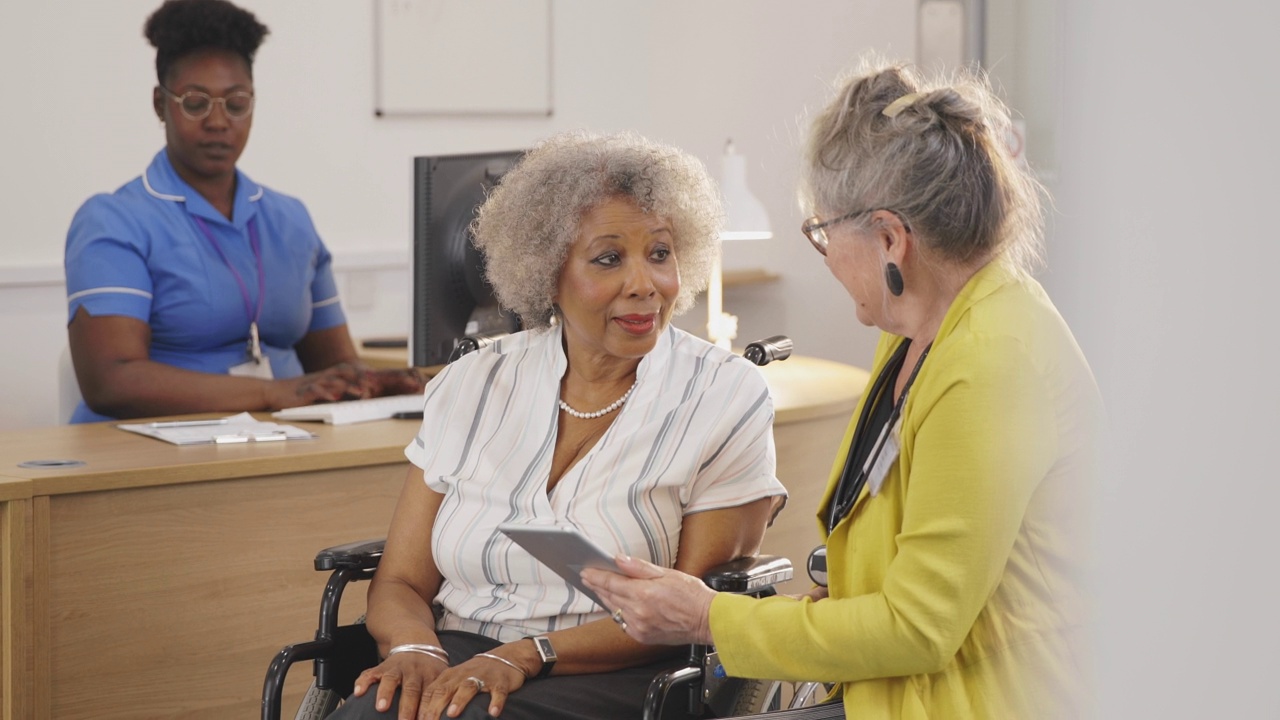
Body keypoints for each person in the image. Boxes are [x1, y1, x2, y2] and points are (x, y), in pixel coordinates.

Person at [584, 60, 1102, 719]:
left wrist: (710, 617)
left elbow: (916, 628)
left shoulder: (990, 362)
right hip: (896, 690)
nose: (824, 255)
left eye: (824, 231)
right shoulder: (915, 329)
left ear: (890, 238)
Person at [329, 130, 788, 720]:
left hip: (627, 672)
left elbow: (687, 611)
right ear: (549, 271)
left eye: (660, 253)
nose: (644, 284)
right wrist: (415, 647)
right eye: (608, 258)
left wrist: (529, 654)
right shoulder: (474, 383)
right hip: (460, 650)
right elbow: (400, 581)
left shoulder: (725, 395)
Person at [63, 0, 421, 424]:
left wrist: (388, 383)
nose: (218, 121)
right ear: (161, 105)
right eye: (195, 103)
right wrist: (273, 393)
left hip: (285, 446)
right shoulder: (113, 221)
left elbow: (337, 367)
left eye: (236, 103)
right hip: (149, 454)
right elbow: (111, 382)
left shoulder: (290, 220)